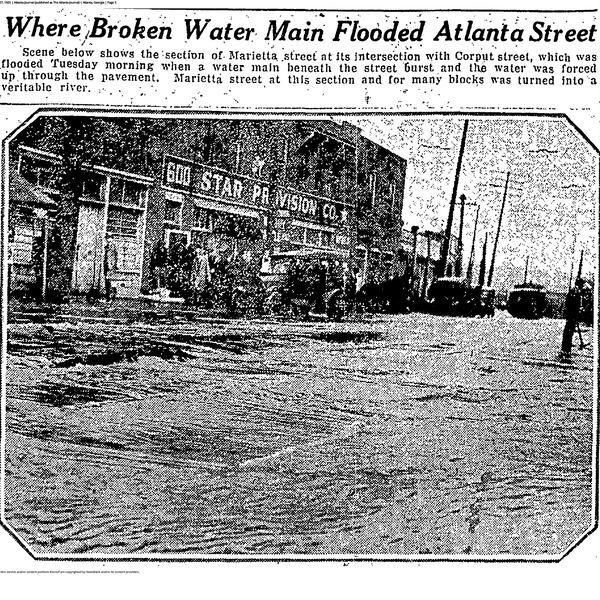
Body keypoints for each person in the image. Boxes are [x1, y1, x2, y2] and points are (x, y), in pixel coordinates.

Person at [561, 278, 583, 355]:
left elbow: (567, 302)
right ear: (580, 284)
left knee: (567, 332)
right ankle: (567, 350)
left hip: (570, 314)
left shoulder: (572, 290)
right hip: (572, 315)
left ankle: (565, 348)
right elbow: (576, 305)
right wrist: (577, 313)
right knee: (569, 332)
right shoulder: (577, 292)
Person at [103, 234, 118, 301]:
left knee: (110, 281)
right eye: (107, 238)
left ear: (112, 238)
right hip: (107, 266)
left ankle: (110, 296)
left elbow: (114, 257)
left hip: (110, 266)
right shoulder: (107, 246)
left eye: (109, 238)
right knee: (108, 281)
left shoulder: (113, 246)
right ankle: (109, 296)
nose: (108, 239)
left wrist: (112, 265)